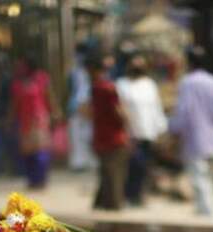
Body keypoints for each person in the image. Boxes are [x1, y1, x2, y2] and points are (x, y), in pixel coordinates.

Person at [170, 46, 213, 217]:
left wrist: (174, 130)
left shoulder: (187, 83)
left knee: (199, 176)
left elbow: (183, 111)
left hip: (195, 137)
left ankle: (207, 211)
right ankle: (206, 208)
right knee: (211, 175)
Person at [117, 55, 168, 205]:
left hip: (147, 132)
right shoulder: (121, 85)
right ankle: (128, 195)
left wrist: (160, 128)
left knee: (143, 166)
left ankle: (138, 196)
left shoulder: (149, 85)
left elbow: (156, 107)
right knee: (132, 165)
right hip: (129, 133)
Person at [88, 53, 130, 211]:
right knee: (113, 174)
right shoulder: (106, 87)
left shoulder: (98, 88)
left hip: (105, 136)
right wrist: (127, 124)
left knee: (109, 173)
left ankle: (109, 204)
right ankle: (113, 205)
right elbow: (118, 111)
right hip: (112, 136)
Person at [12, 54, 59, 189]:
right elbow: (15, 103)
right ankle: (31, 180)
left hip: (39, 120)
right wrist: (11, 119)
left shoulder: (41, 78)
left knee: (41, 151)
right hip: (24, 121)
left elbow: (49, 96)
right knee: (27, 152)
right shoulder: (17, 83)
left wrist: (55, 111)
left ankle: (41, 179)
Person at [67, 42, 97, 172]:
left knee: (88, 135)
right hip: (77, 105)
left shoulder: (88, 71)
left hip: (88, 104)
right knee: (78, 135)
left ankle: (88, 161)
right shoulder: (74, 71)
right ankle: (79, 162)